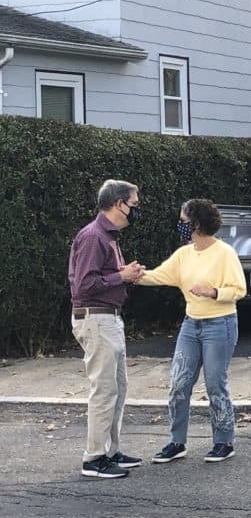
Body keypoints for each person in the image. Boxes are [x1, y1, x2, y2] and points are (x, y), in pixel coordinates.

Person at [136, 199, 247, 464]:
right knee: (179, 383)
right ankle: (177, 441)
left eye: (183, 221)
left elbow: (239, 289)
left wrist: (213, 292)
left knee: (215, 384)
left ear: (197, 224)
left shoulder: (224, 253)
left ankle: (224, 441)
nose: (180, 226)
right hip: (190, 324)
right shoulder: (184, 254)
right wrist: (133, 275)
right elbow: (161, 275)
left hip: (220, 324)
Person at [68, 179, 146, 479]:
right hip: (96, 318)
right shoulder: (94, 237)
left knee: (117, 388)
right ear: (118, 204)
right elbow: (83, 285)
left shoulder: (108, 237)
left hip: (108, 318)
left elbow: (102, 276)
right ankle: (94, 457)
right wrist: (121, 277)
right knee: (104, 389)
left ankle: (110, 451)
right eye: (134, 205)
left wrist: (125, 275)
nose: (136, 210)